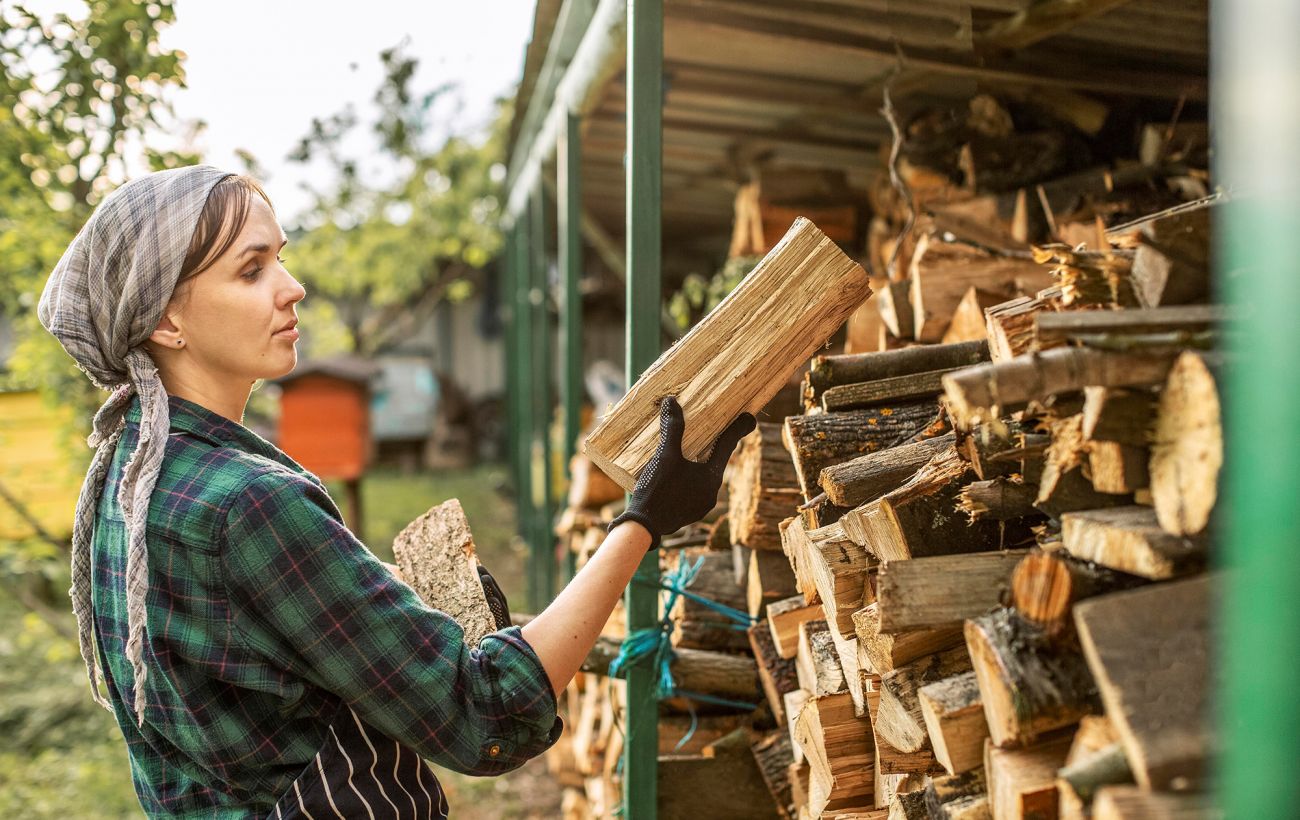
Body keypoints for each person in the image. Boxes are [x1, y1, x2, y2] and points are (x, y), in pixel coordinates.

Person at [37, 165, 755, 818]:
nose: (292, 287)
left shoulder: (121, 474)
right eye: (251, 271)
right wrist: (643, 519)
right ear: (166, 319)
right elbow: (488, 720)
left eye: (279, 257)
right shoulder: (250, 504)